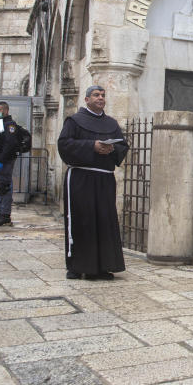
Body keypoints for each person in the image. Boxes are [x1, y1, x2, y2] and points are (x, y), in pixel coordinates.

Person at [57, 86, 128, 280]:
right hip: (81, 178)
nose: (101, 98)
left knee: (104, 221)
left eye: (103, 95)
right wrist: (92, 146)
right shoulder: (74, 121)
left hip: (104, 178)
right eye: (96, 95)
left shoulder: (111, 123)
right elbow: (64, 145)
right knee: (83, 220)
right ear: (87, 99)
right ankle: (78, 266)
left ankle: (103, 267)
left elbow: (123, 146)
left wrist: (112, 148)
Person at [0, 101, 20, 226]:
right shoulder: (0, 124)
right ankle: (1, 211)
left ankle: (5, 214)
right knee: (0, 186)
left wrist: (1, 160)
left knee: (4, 186)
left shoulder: (9, 125)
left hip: (5, 160)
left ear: (6, 110)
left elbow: (10, 144)